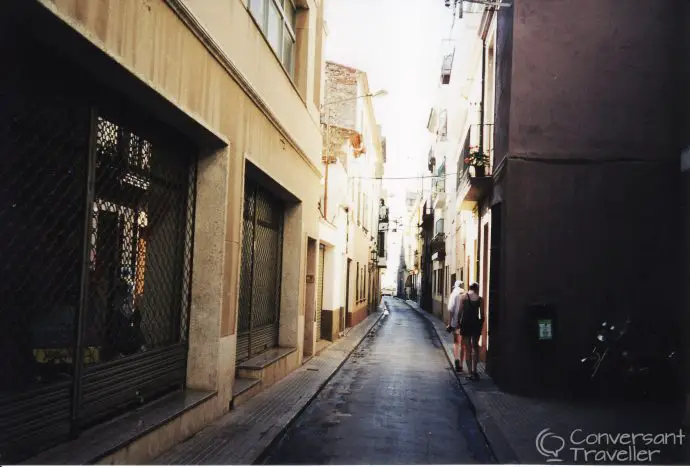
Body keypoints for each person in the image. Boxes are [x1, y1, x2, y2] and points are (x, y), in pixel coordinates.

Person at [459, 282, 484, 381]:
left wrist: (458, 322)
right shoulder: (480, 299)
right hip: (475, 324)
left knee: (468, 348)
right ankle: (475, 370)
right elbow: (482, 315)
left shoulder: (463, 297)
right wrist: (481, 326)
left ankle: (469, 373)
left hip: (465, 324)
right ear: (477, 289)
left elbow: (460, 312)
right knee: (476, 347)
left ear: (469, 288)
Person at [446, 280, 466, 372]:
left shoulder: (453, 294)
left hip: (455, 322)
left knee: (456, 343)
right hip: (464, 322)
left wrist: (449, 323)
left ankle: (456, 359)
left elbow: (450, 310)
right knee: (463, 344)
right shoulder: (465, 294)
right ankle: (461, 364)